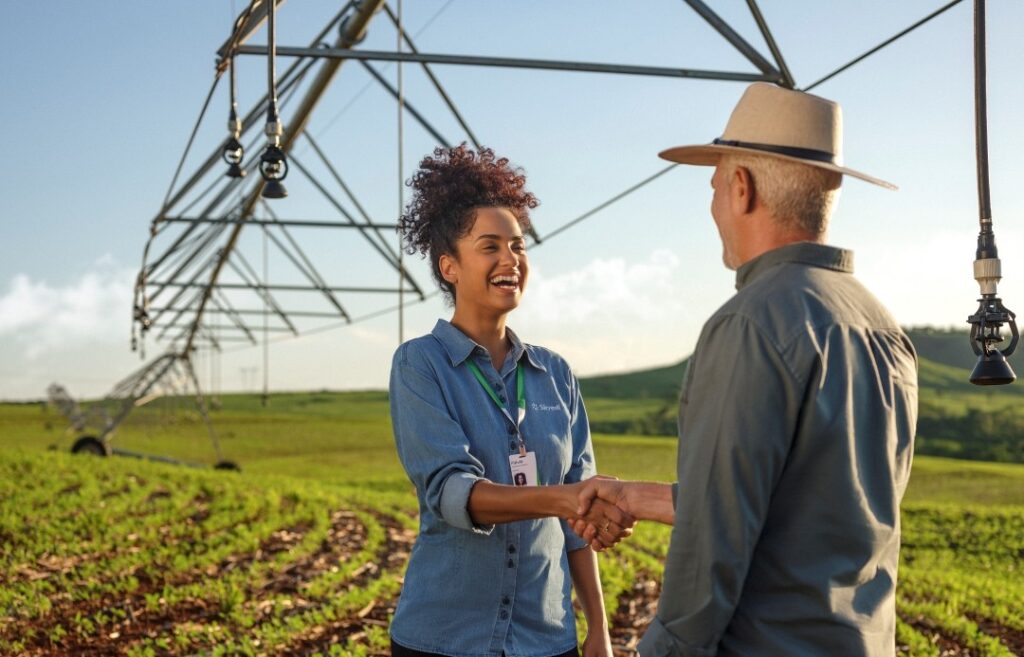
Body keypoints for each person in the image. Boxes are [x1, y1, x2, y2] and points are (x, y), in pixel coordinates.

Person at [574, 83, 919, 656]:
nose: (713, 208)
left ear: (741, 187)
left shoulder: (750, 323)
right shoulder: (883, 327)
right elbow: (801, 504)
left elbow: (715, 540)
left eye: (714, 187)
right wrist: (634, 496)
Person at [389, 144, 632, 657]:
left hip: (546, 637)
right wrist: (564, 499)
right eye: (490, 246)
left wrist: (599, 630)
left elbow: (579, 517)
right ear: (449, 266)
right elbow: (455, 494)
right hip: (445, 639)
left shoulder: (555, 373)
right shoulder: (420, 365)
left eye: (519, 246)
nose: (511, 260)